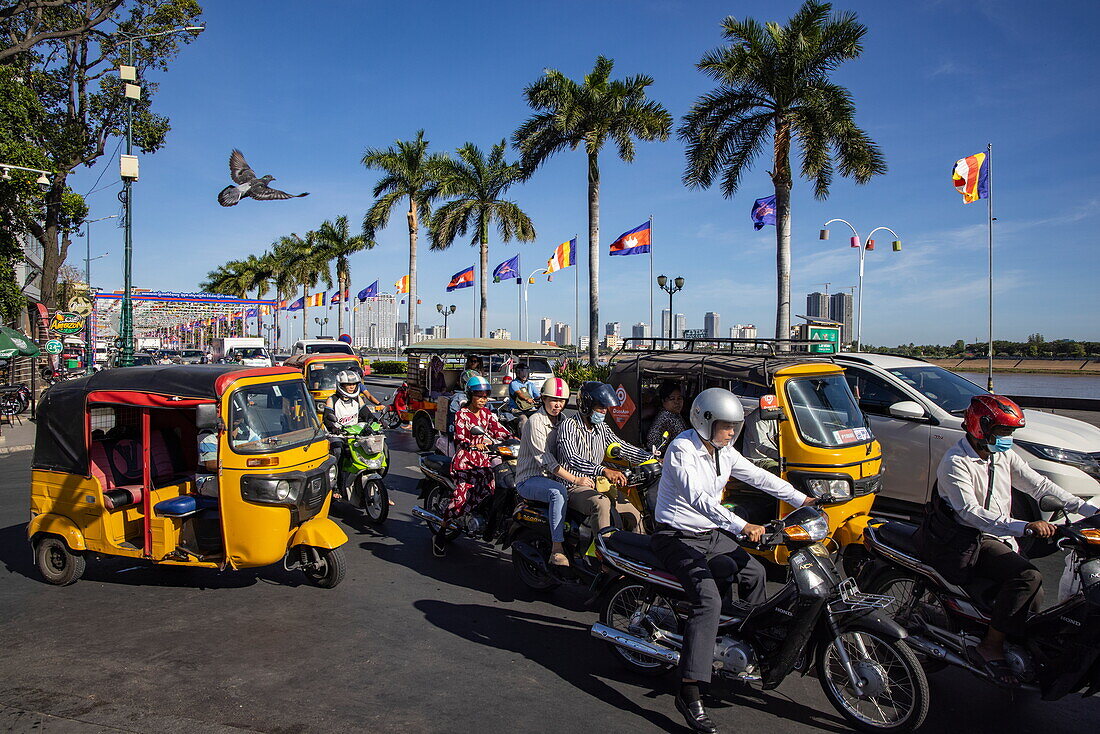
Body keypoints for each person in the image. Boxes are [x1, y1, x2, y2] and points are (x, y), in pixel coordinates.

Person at [651, 387, 813, 733]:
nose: (732, 433)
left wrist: (803, 500)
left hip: (709, 536)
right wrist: (742, 525)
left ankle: (750, 647)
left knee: (753, 571)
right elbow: (697, 498)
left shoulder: (724, 451)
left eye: (735, 427)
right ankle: (690, 690)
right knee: (707, 600)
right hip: (675, 536)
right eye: (727, 426)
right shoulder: (682, 449)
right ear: (704, 421)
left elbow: (760, 476)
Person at [918, 394, 1096, 686]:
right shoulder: (956, 462)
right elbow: (971, 514)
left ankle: (1020, 644)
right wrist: (1025, 526)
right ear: (981, 427)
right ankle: (991, 645)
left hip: (999, 534)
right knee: (1027, 576)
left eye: (1010, 432)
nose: (1008, 439)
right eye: (1003, 432)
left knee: (1035, 592)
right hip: (967, 539)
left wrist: (1089, 510)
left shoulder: (1002, 456)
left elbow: (1039, 485)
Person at [556, 381, 652, 536]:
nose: (604, 412)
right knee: (601, 503)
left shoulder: (601, 428)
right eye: (600, 407)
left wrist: (651, 459)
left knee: (634, 513)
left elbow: (622, 447)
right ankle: (604, 553)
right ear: (587, 405)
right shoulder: (569, 426)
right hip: (572, 486)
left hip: (598, 484)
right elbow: (571, 458)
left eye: (606, 408)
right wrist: (603, 470)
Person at [515, 377, 590, 568]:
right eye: (553, 400)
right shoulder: (535, 422)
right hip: (530, 479)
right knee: (558, 493)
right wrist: (576, 479)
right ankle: (557, 549)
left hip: (554, 478)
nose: (558, 405)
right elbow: (546, 461)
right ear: (543, 399)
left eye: (562, 401)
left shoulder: (564, 421)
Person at [434, 374, 512, 557]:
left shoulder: (487, 414)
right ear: (470, 395)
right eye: (479, 395)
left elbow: (499, 429)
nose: (483, 400)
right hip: (466, 462)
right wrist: (472, 444)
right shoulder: (462, 415)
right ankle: (441, 533)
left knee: (496, 489)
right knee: (460, 501)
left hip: (484, 461)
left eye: (485, 396)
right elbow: (460, 437)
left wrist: (516, 439)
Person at [646, 381, 686, 450]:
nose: (677, 402)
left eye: (679, 398)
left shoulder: (675, 414)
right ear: (663, 401)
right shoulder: (667, 416)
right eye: (672, 399)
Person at [506, 363, 541, 432]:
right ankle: (523, 440)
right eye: (522, 371)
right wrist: (527, 399)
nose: (524, 374)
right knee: (523, 419)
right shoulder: (514, 383)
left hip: (530, 408)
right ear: (517, 373)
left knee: (540, 416)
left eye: (526, 371)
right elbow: (519, 394)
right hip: (517, 410)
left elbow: (538, 396)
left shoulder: (530, 384)